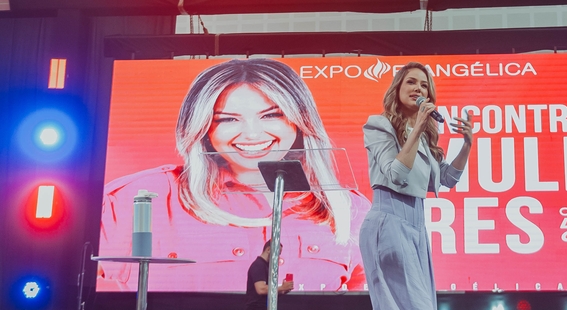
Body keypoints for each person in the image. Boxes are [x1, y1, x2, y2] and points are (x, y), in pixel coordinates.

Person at [98, 58, 371, 292]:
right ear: (203, 128)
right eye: (227, 119)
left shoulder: (350, 209)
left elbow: (365, 307)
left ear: (300, 121)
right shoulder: (138, 198)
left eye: (271, 115)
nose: (252, 134)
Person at [356, 62, 473, 310]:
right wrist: (419, 127)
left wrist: (466, 145)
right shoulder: (380, 126)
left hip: (415, 228)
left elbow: (447, 179)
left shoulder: (425, 137)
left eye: (424, 85)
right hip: (388, 223)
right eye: (411, 82)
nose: (418, 89)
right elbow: (395, 174)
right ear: (397, 88)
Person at [244, 239, 294, 310]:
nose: (278, 257)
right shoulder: (258, 265)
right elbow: (261, 289)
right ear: (268, 250)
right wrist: (281, 287)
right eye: (277, 253)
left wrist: (283, 291)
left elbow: (267, 291)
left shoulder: (265, 266)